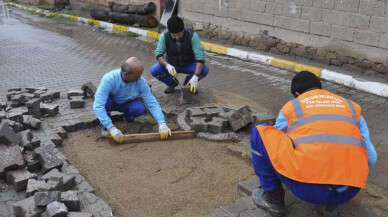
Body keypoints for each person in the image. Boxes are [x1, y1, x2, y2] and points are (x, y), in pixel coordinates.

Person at [250, 71, 377, 217]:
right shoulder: (352, 107)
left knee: (259, 134)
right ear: (319, 88)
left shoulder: (292, 106)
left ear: (297, 93)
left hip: (306, 190)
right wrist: (351, 178)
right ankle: (331, 207)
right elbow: (371, 157)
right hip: (349, 190)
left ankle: (273, 200)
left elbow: (274, 145)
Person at [93, 57, 171, 143]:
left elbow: (151, 102)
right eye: (137, 76)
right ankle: (105, 126)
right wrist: (111, 127)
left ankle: (128, 119)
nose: (139, 78)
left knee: (139, 108)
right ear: (125, 74)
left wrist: (162, 123)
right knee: (104, 102)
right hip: (111, 103)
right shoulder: (109, 79)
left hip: (128, 103)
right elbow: (98, 106)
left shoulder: (141, 81)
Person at [150, 16, 209, 94]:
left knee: (204, 70)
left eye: (179, 34)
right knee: (154, 70)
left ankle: (189, 82)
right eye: (174, 35)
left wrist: (195, 76)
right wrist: (167, 66)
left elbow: (200, 57)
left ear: (183, 30)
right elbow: (158, 54)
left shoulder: (192, 36)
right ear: (169, 32)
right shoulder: (164, 36)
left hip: (189, 64)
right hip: (172, 65)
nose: (177, 37)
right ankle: (172, 83)